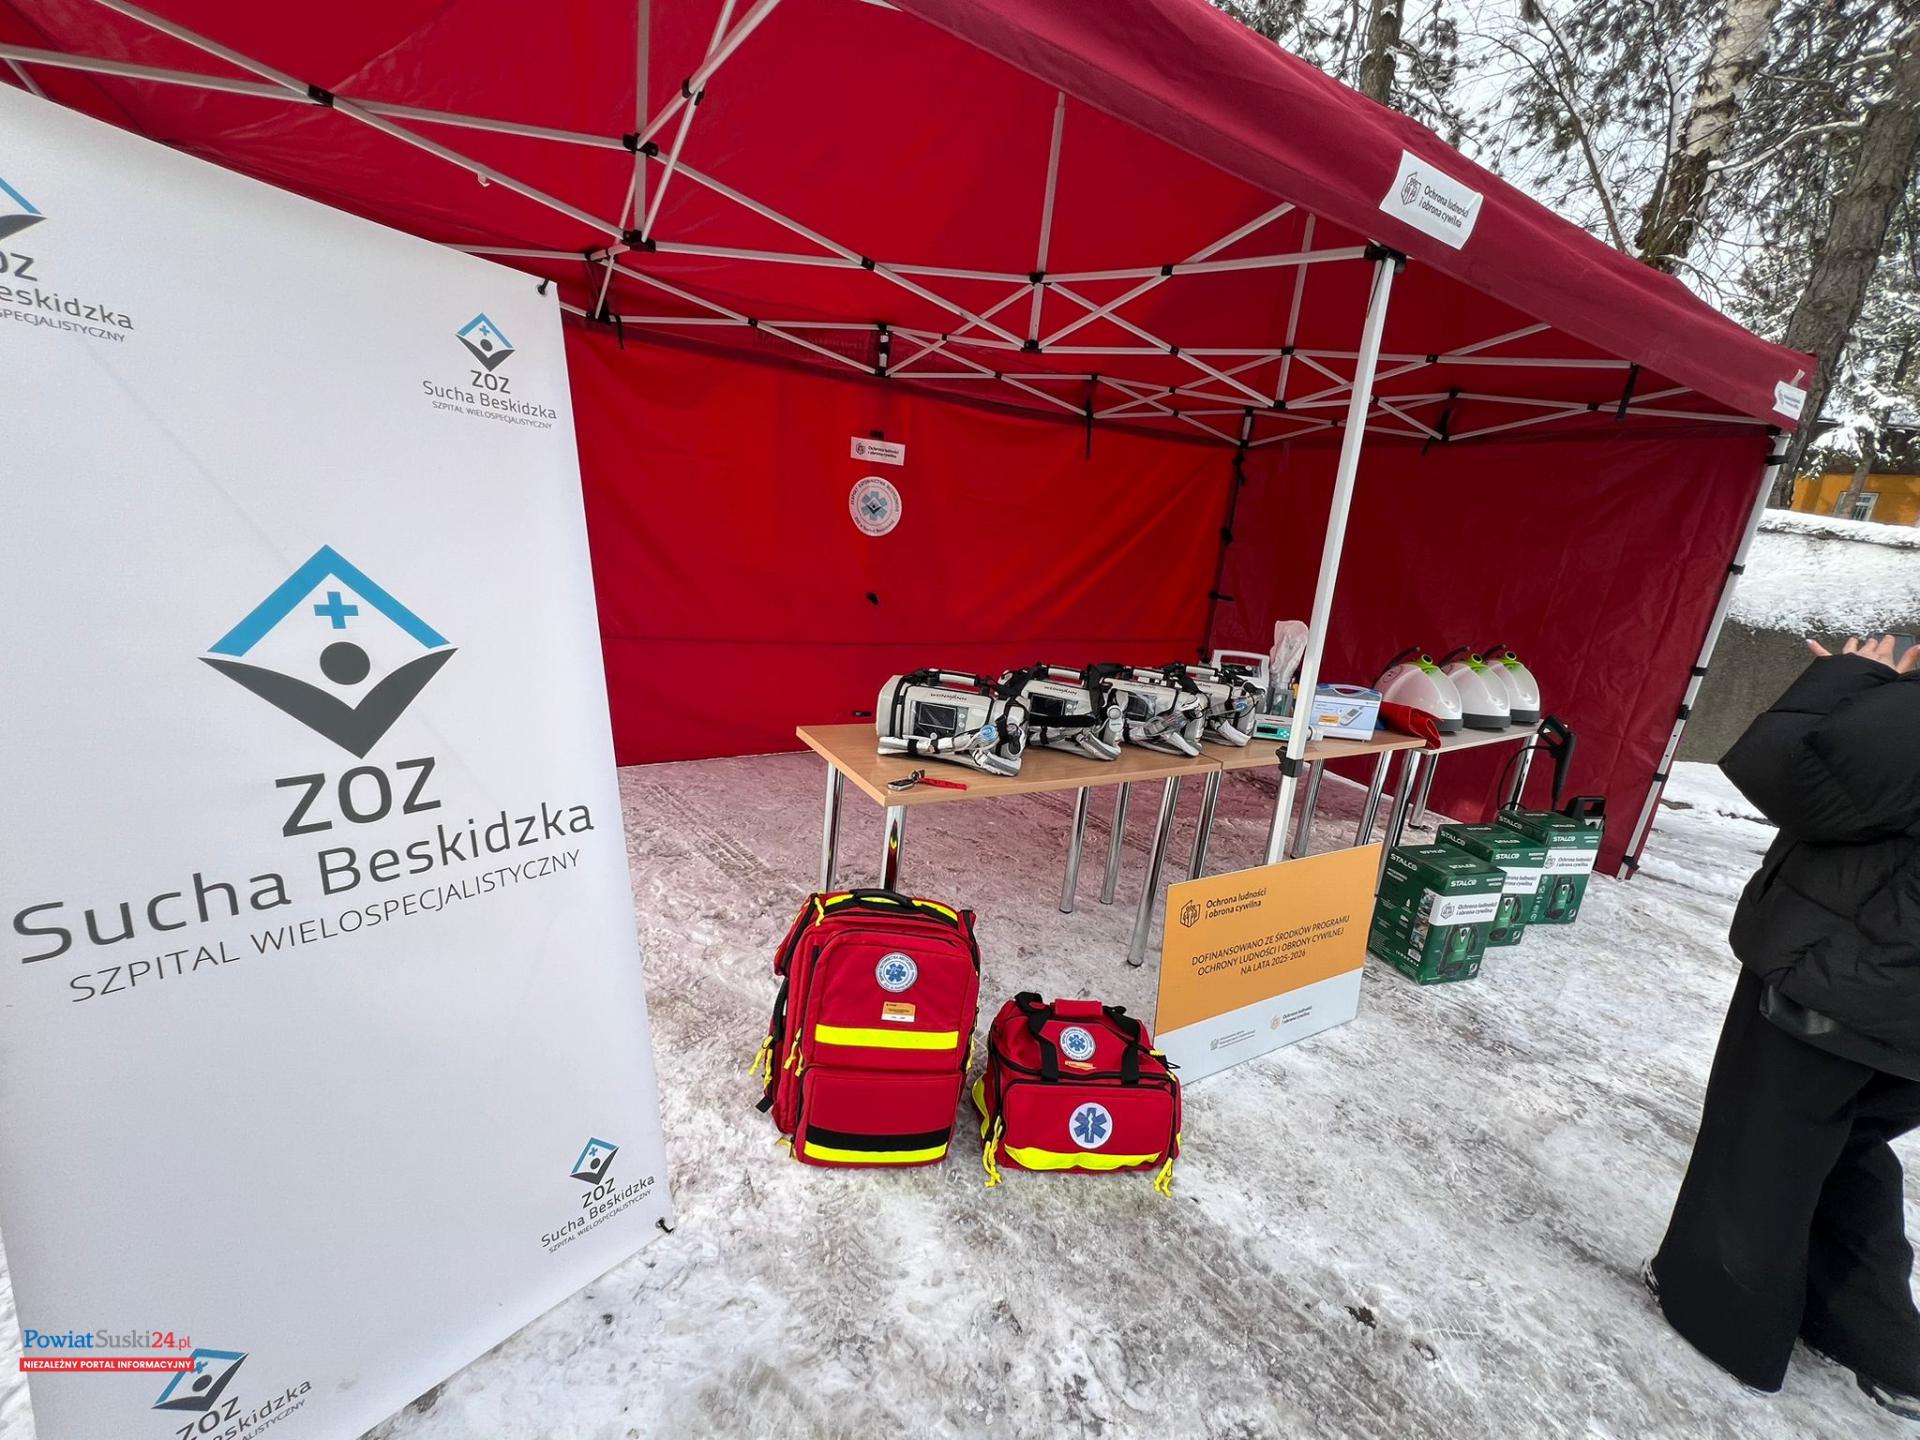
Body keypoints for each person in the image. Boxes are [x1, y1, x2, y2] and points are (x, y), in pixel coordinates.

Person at [1649, 632, 1920, 1418]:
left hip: (1844, 979)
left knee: (1761, 1155)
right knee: (1846, 1151)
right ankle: (1879, 1341)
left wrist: (1851, 678)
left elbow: (1788, 769)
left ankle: (1728, 1326)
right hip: (1894, 1003)